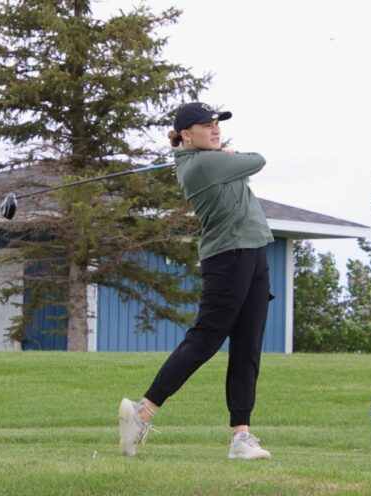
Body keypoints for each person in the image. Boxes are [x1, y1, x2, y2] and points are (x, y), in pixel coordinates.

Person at [118, 102, 275, 460]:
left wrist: (225, 152)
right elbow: (258, 160)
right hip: (228, 258)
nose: (215, 128)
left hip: (253, 252)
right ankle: (142, 415)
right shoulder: (204, 163)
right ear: (187, 135)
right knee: (205, 340)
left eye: (217, 123)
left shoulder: (206, 158)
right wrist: (229, 153)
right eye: (206, 125)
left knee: (247, 347)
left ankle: (241, 437)